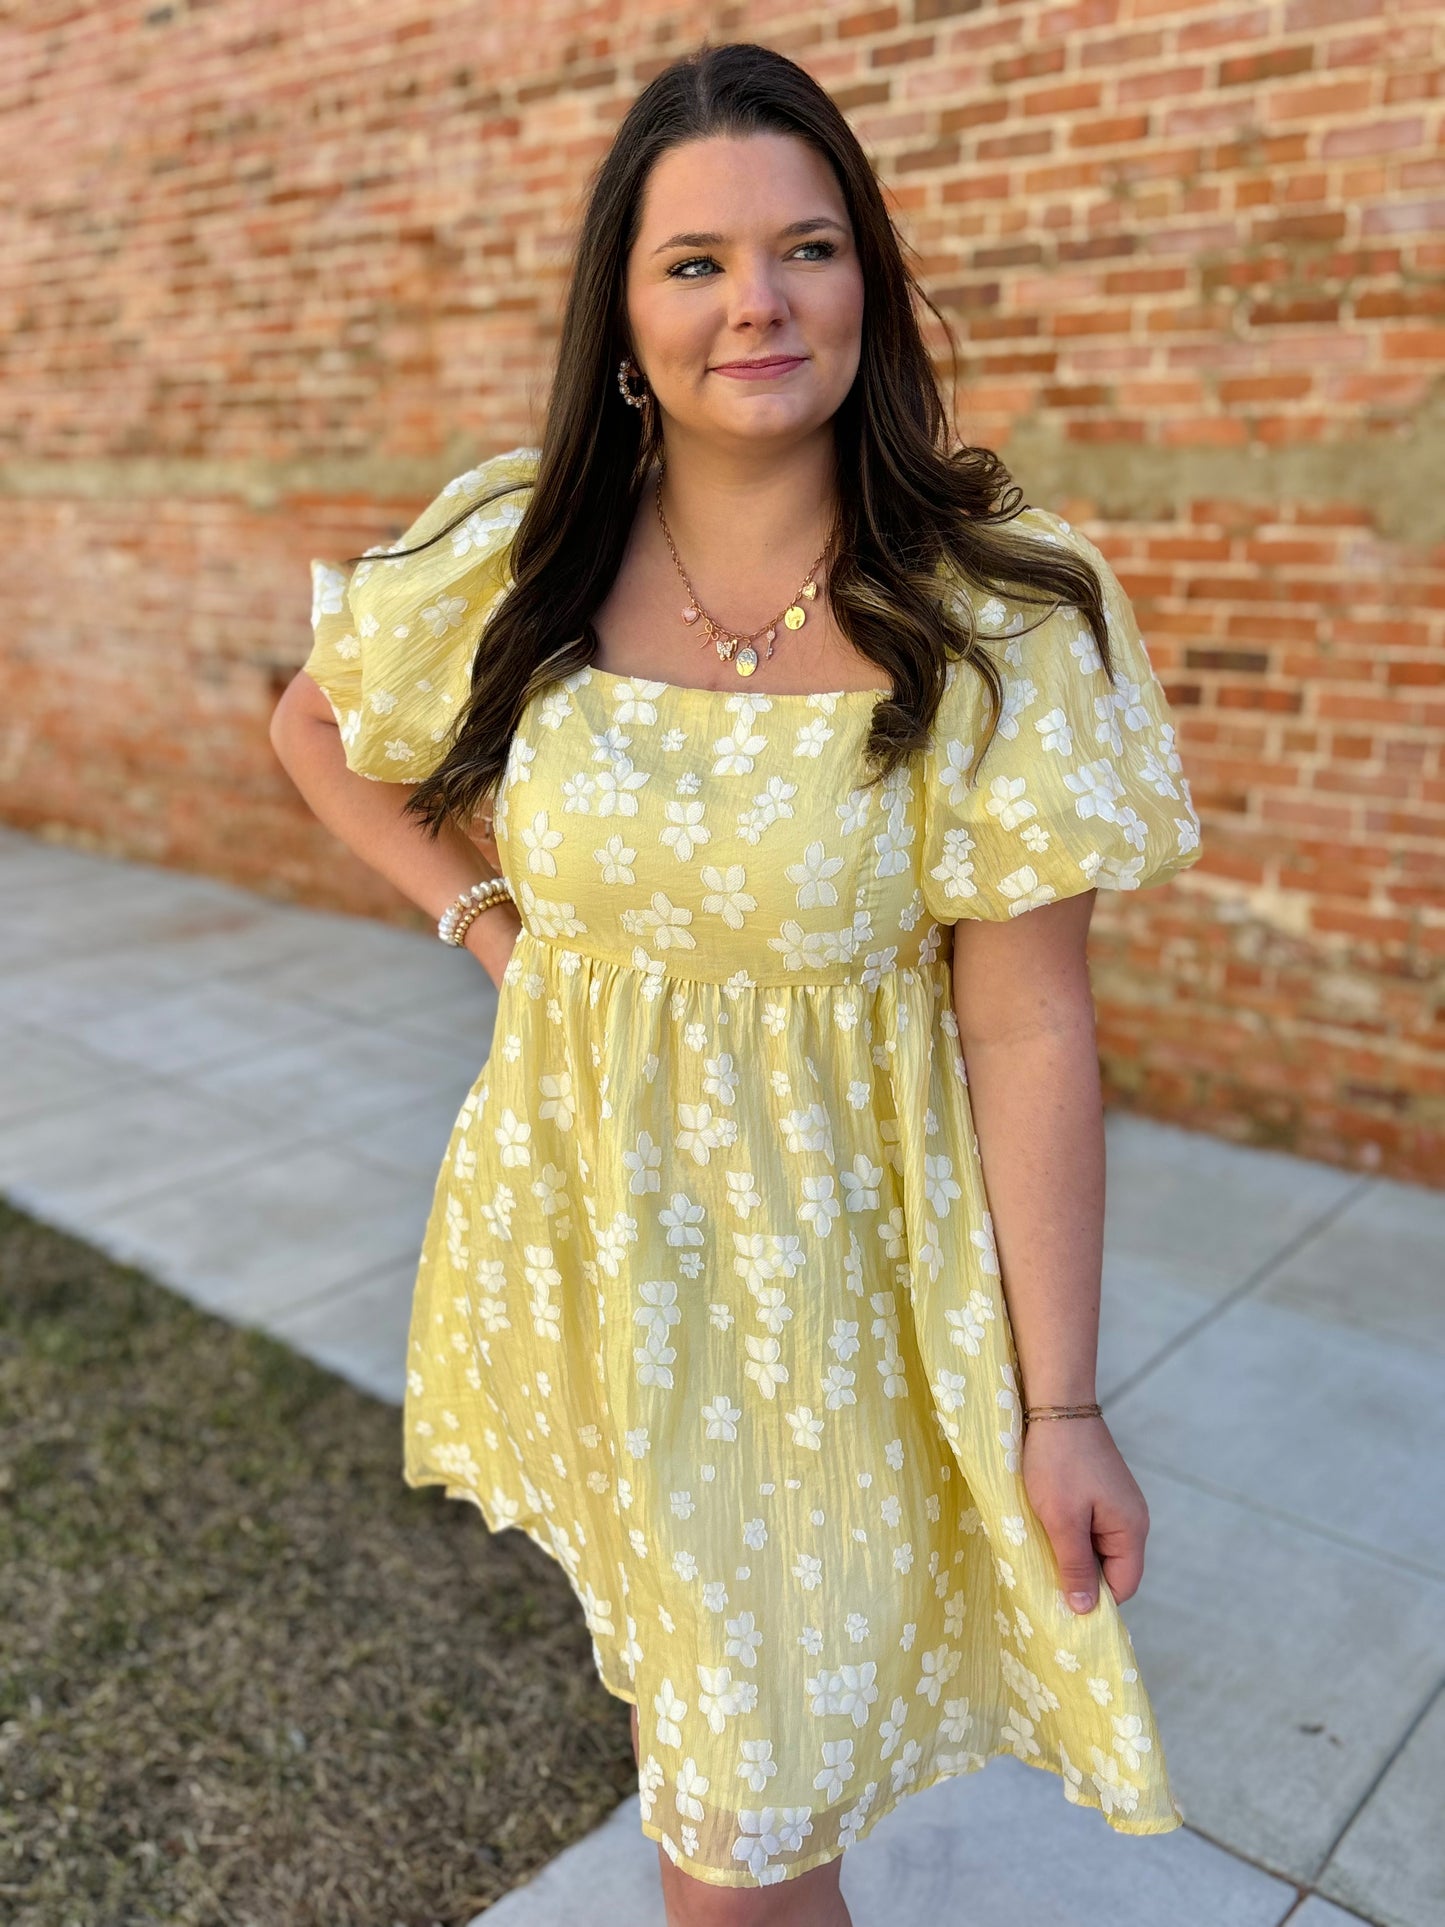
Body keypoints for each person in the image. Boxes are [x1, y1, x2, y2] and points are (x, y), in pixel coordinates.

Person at [270, 39, 1202, 1927]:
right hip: (596, 1257)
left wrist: (1062, 1403)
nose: (755, 303)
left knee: (740, 1831)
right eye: (692, 262)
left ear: (868, 279)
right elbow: (316, 728)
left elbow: (1026, 1019)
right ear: (624, 312)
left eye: (806, 247)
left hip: (837, 1303)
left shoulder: (996, 612)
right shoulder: (517, 550)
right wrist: (491, 927)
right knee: (726, 1795)